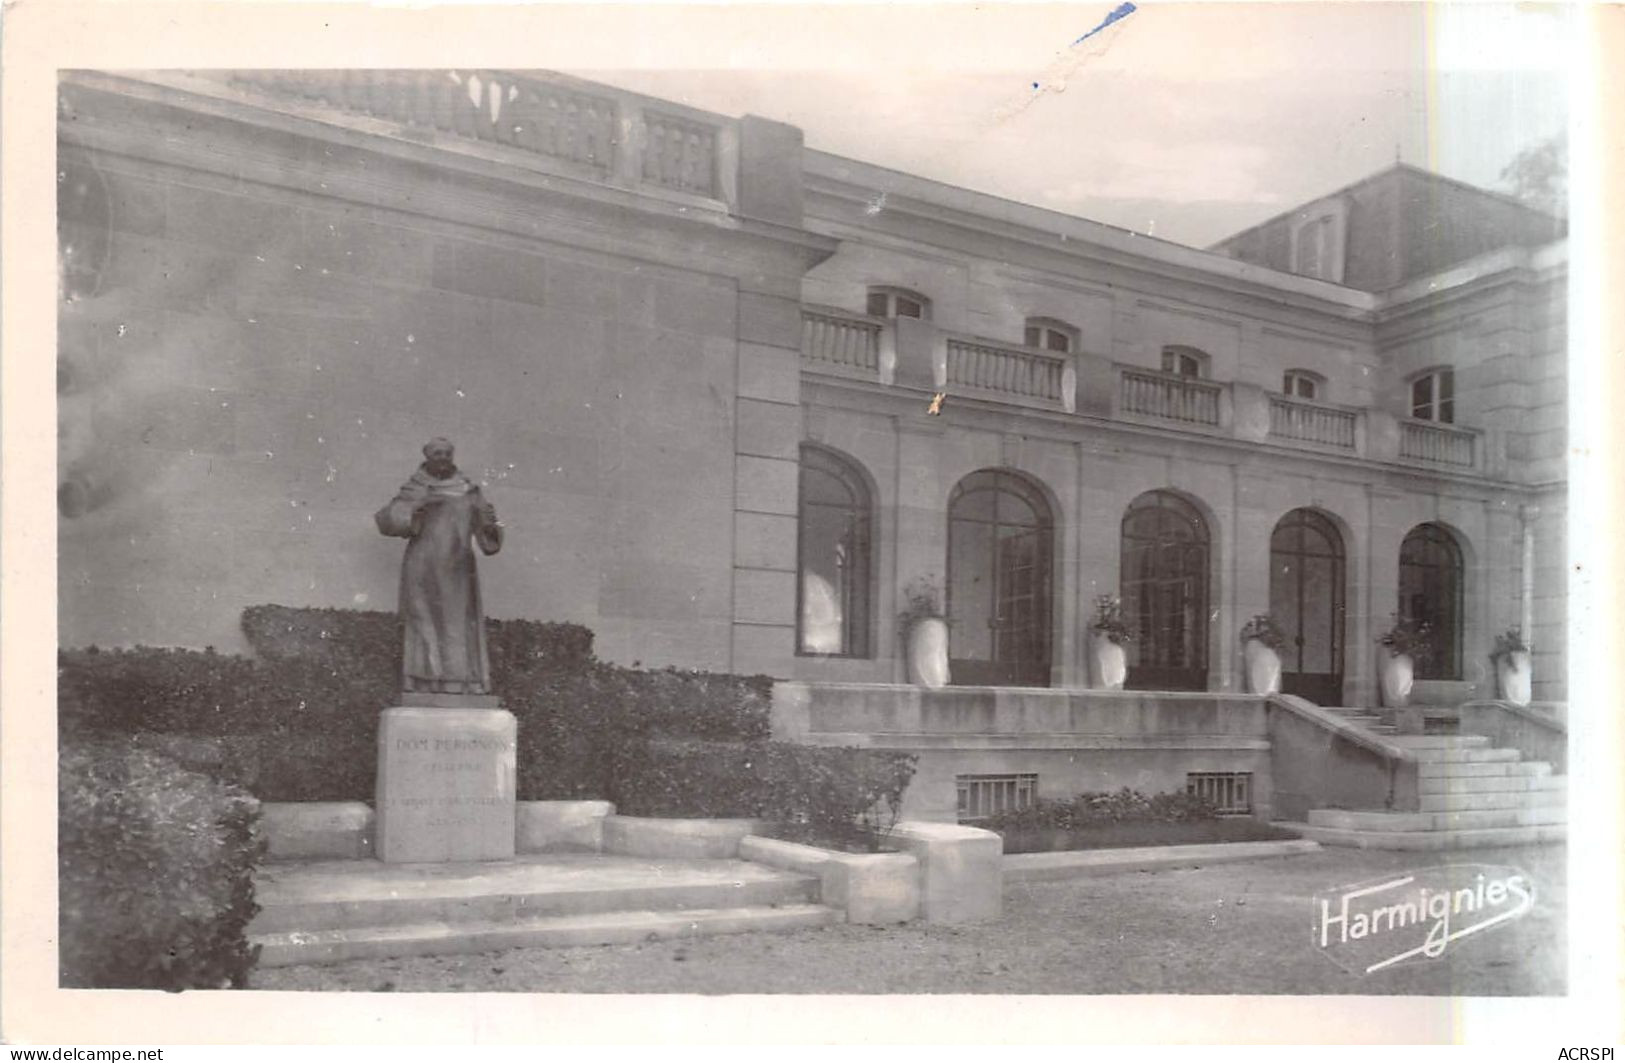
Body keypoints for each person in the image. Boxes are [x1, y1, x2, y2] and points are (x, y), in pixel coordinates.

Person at [374, 438, 503, 695]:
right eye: (437, 453)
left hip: (457, 568)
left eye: (447, 453)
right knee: (424, 622)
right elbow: (386, 520)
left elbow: (487, 537)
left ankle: (461, 682)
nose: (443, 458)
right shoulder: (416, 488)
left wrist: (490, 525)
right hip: (423, 565)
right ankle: (424, 681)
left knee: (457, 624)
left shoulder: (469, 491)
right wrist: (414, 509)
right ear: (427, 457)